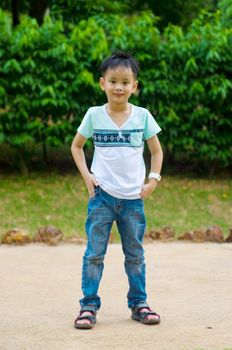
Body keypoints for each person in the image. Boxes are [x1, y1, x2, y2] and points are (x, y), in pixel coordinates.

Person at [71, 51, 163, 329]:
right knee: (94, 254)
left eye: (125, 82)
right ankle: (88, 306)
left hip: (133, 200)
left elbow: (156, 152)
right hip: (102, 198)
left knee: (135, 255)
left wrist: (153, 180)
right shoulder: (94, 115)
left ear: (134, 86)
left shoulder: (143, 117)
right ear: (102, 83)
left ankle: (139, 303)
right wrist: (87, 177)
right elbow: (76, 146)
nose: (119, 87)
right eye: (113, 81)